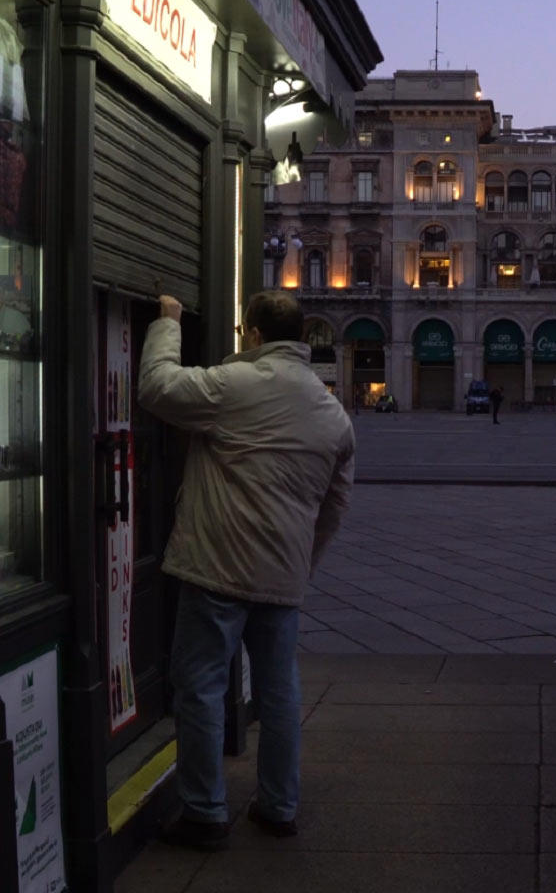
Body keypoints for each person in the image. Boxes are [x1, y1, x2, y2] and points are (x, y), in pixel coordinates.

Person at [139, 292, 355, 851]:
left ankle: (204, 811)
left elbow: (157, 387)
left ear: (254, 336)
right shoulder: (333, 414)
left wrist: (167, 324)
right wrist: (302, 563)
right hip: (282, 576)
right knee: (280, 692)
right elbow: (335, 505)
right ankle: (279, 806)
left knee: (202, 687)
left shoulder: (234, 387)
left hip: (216, 567)